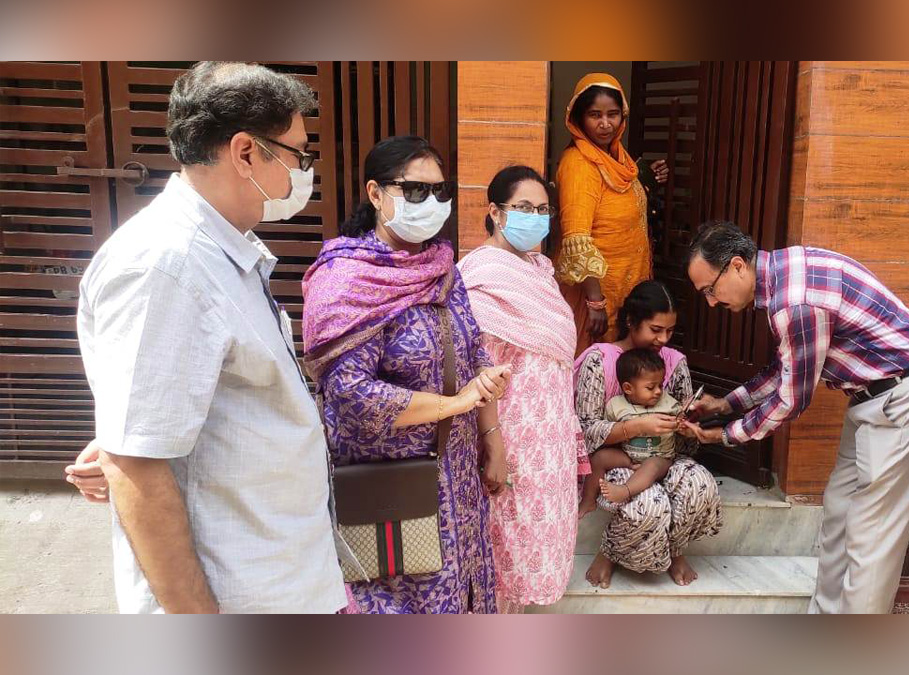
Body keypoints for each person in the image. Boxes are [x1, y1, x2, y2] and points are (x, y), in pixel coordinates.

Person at [72, 62, 346, 613]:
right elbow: (137, 465)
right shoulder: (165, 266)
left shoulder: (221, 251)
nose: (304, 170)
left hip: (274, 566)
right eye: (298, 154)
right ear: (246, 152)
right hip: (235, 591)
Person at [682, 221, 909, 614]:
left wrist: (725, 435)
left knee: (872, 536)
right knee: (840, 511)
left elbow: (792, 399)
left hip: (905, 398)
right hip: (873, 397)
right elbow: (790, 366)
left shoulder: (793, 302)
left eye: (710, 289)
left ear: (737, 265)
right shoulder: (787, 271)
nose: (711, 302)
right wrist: (727, 404)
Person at [301, 136, 511, 614]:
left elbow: (473, 347)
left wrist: (493, 439)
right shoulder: (346, 277)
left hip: (457, 475)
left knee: (465, 595)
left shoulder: (441, 266)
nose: (432, 203)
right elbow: (350, 393)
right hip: (392, 485)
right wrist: (456, 404)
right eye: (415, 191)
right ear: (376, 194)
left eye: (440, 191)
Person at [457, 165, 587, 613]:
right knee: (500, 557)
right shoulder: (480, 279)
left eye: (543, 210)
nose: (536, 218)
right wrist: (492, 444)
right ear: (495, 212)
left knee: (532, 555)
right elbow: (480, 369)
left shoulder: (539, 271)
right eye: (524, 208)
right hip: (509, 438)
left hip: (548, 442)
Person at [574, 280, 722, 588]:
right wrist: (636, 427)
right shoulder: (598, 361)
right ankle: (609, 553)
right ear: (631, 321)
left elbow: (685, 448)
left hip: (663, 458)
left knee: (701, 485)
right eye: (655, 329)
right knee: (648, 506)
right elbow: (583, 431)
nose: (663, 339)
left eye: (669, 331)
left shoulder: (675, 362)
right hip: (618, 460)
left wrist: (687, 427)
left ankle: (673, 550)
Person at [555, 73, 669, 355]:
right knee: (594, 368)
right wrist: (595, 302)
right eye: (595, 115)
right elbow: (577, 238)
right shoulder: (579, 164)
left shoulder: (619, 158)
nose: (605, 124)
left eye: (613, 114)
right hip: (595, 297)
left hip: (624, 289)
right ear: (579, 117)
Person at [583, 348, 682, 510]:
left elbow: (680, 421)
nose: (658, 392)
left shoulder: (668, 403)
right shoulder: (616, 406)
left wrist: (682, 424)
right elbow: (607, 435)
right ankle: (588, 500)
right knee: (599, 458)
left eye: (660, 385)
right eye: (651, 387)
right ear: (628, 388)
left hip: (659, 457)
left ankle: (625, 490)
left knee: (652, 465)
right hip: (628, 455)